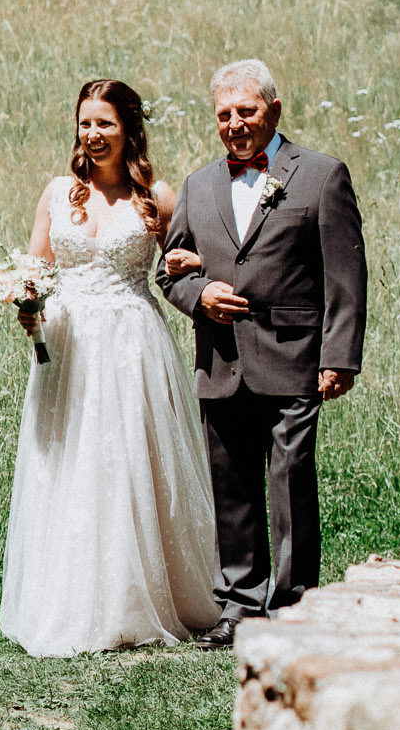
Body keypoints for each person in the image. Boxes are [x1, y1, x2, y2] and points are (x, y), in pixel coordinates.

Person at [0, 79, 221, 656]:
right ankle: (69, 601)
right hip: (67, 344)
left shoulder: (158, 198)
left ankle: (135, 597)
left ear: (129, 130)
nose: (92, 136)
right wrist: (28, 304)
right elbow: (36, 268)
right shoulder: (57, 193)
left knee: (127, 463)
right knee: (72, 460)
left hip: (132, 345)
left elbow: (182, 268)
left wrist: (192, 262)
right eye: (84, 124)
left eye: (105, 125)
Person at [156, 59, 367, 647]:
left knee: (292, 482)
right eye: (223, 114)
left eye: (245, 111)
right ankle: (240, 605)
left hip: (296, 356)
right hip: (221, 360)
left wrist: (339, 357)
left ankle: (296, 604)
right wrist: (199, 296)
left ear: (273, 110)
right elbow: (167, 272)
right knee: (232, 487)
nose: (234, 124)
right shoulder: (199, 185)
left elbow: (346, 275)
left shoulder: (322, 175)